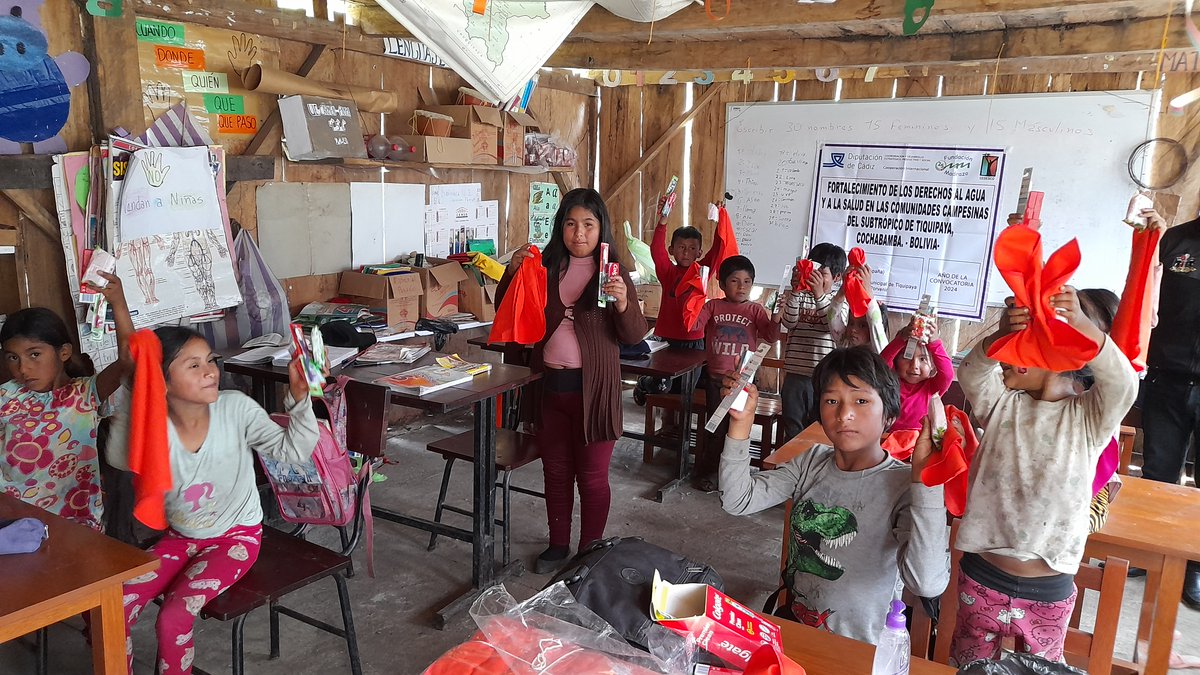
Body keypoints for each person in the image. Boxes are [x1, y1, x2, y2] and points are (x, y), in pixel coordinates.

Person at [108, 326, 319, 675]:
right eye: (193, 366)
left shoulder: (234, 409)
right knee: (112, 607)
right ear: (162, 382)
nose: (210, 371)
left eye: (210, 360)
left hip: (236, 537)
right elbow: (119, 457)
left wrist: (299, 398)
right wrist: (135, 390)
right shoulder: (154, 429)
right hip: (182, 537)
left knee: (173, 616)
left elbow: (294, 451)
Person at [951, 288, 1138, 665]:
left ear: (1057, 355)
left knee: (1041, 672)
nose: (1005, 358)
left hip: (1047, 588)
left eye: (1018, 347)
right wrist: (999, 334)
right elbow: (970, 372)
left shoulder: (1089, 418)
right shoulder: (1001, 403)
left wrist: (1086, 331)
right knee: (970, 668)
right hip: (982, 576)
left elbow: (1124, 385)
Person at [719, 346, 950, 643]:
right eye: (831, 400)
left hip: (862, 650)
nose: (844, 414)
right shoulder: (811, 461)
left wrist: (926, 483)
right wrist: (741, 423)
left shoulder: (903, 486)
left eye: (862, 400)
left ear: (889, 416)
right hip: (798, 632)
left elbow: (926, 583)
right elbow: (737, 499)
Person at [497, 188, 647, 574]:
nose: (579, 233)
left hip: (595, 393)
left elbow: (633, 336)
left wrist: (624, 304)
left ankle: (589, 553)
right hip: (549, 390)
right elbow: (507, 308)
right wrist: (512, 273)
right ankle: (558, 544)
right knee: (556, 472)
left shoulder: (614, 272)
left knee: (593, 478)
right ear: (559, 228)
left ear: (602, 229)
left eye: (588, 225)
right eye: (570, 224)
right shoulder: (544, 266)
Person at [0, 272, 133, 531]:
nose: (23, 369)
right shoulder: (5, 396)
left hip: (77, 521)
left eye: (34, 354)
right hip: (15, 522)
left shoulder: (85, 393)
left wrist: (118, 302)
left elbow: (129, 359)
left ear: (63, 352)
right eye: (12, 358)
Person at [1138, 208, 1200, 608]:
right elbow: (1145, 304)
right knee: (1158, 473)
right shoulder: (1174, 241)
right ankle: (1146, 552)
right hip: (1167, 376)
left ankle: (1194, 566)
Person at [689, 255, 780, 492]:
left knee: (737, 430)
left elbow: (770, 336)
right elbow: (695, 326)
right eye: (735, 281)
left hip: (743, 382)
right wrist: (694, 298)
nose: (741, 287)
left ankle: (733, 476)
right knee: (715, 428)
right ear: (721, 283)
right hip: (715, 379)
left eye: (747, 281)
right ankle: (710, 473)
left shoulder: (756, 310)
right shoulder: (713, 306)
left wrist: (777, 319)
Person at [778, 243, 847, 442]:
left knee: (821, 427)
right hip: (796, 376)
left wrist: (819, 295)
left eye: (821, 273)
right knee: (792, 425)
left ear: (836, 278)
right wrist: (796, 291)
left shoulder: (839, 302)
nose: (815, 276)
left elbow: (832, 327)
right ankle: (790, 467)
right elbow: (789, 322)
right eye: (812, 270)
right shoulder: (800, 296)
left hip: (825, 378)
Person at [878, 317, 955, 460]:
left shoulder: (932, 388)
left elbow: (948, 374)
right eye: (907, 357)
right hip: (886, 441)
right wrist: (900, 339)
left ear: (932, 366)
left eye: (923, 359)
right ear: (895, 361)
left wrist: (935, 343)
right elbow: (881, 363)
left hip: (920, 447)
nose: (914, 366)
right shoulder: (890, 383)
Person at [829, 262, 889, 353]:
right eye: (851, 323)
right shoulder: (845, 343)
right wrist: (844, 287)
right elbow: (832, 316)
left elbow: (874, 321)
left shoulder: (880, 350)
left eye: (862, 326)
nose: (853, 330)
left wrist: (867, 290)